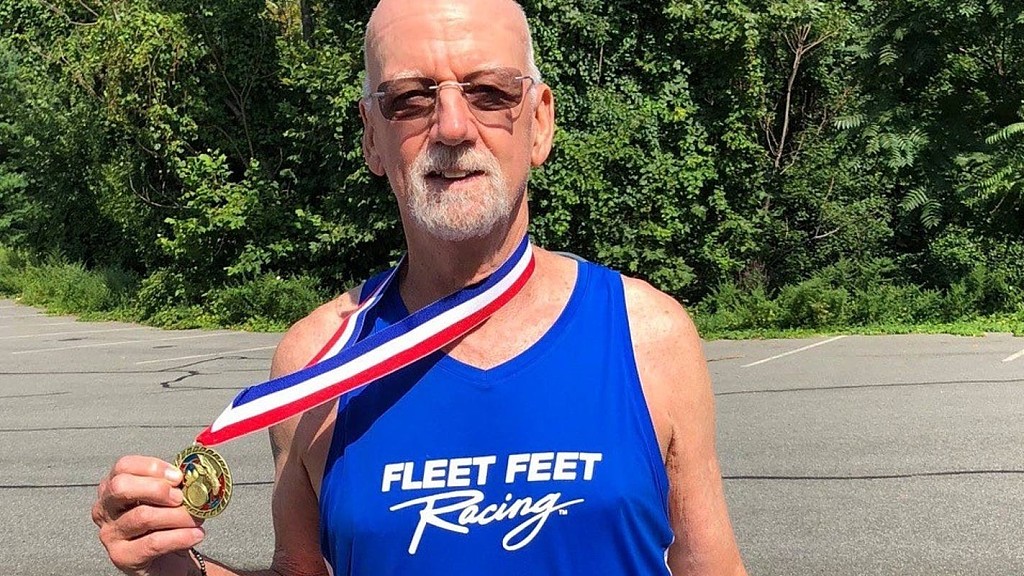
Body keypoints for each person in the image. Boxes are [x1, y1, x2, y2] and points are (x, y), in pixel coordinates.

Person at [92, 0, 749, 574]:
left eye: (490, 92)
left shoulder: (647, 336)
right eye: (410, 99)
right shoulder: (313, 364)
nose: (453, 127)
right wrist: (176, 571)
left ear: (540, 121)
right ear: (372, 139)